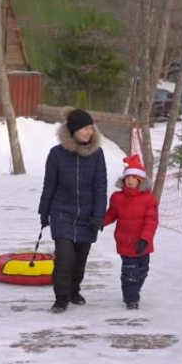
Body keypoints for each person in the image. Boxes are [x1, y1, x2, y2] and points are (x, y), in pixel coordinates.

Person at [38, 107, 107, 314]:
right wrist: (44, 211)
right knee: (65, 257)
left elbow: (100, 187)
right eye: (85, 128)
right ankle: (61, 298)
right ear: (74, 130)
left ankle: (74, 290)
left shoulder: (97, 154)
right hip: (62, 213)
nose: (90, 132)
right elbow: (49, 185)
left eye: (91, 128)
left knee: (79, 260)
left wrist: (98, 215)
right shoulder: (56, 154)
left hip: (87, 216)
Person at [103, 154, 159, 310]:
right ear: (123, 180)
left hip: (143, 243)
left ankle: (134, 288)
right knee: (129, 272)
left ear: (140, 180)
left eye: (134, 177)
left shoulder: (148, 199)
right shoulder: (117, 198)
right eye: (128, 177)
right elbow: (111, 214)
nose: (130, 180)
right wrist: (99, 222)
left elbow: (151, 221)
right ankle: (131, 298)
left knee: (142, 270)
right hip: (125, 242)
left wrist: (145, 239)